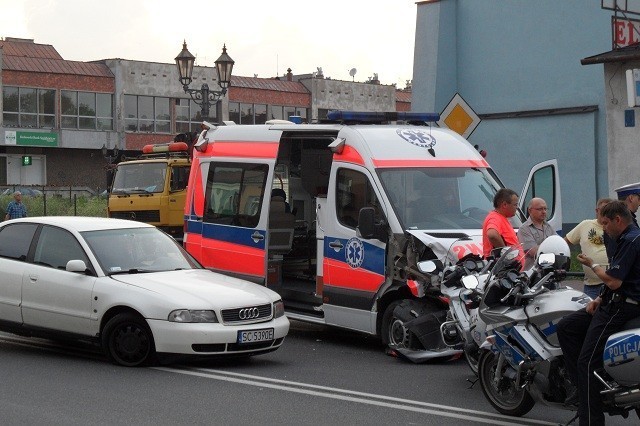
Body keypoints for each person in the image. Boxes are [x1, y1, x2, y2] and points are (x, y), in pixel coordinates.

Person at [557, 201, 640, 425]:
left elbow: (614, 281)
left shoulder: (632, 240)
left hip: (622, 307)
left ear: (618, 220)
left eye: (605, 224)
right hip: (611, 301)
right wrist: (599, 298)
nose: (603, 228)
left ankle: (591, 419)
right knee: (566, 326)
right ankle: (583, 388)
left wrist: (593, 265)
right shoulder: (620, 238)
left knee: (586, 362)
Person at [564, 198, 614, 299]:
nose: (606, 213)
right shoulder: (585, 225)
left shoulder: (615, 227)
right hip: (592, 285)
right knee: (589, 311)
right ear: (597, 211)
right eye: (604, 209)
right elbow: (565, 242)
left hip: (612, 282)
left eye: (609, 210)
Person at [482, 188, 522, 260]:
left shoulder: (501, 217)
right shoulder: (495, 218)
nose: (517, 207)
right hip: (504, 268)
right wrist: (505, 255)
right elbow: (492, 234)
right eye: (515, 205)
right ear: (504, 205)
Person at [517, 197, 555, 269]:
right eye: (540, 209)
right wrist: (552, 248)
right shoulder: (524, 229)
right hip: (531, 274)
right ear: (530, 210)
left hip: (549, 271)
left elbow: (558, 244)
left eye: (545, 209)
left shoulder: (549, 227)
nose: (544, 212)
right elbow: (533, 252)